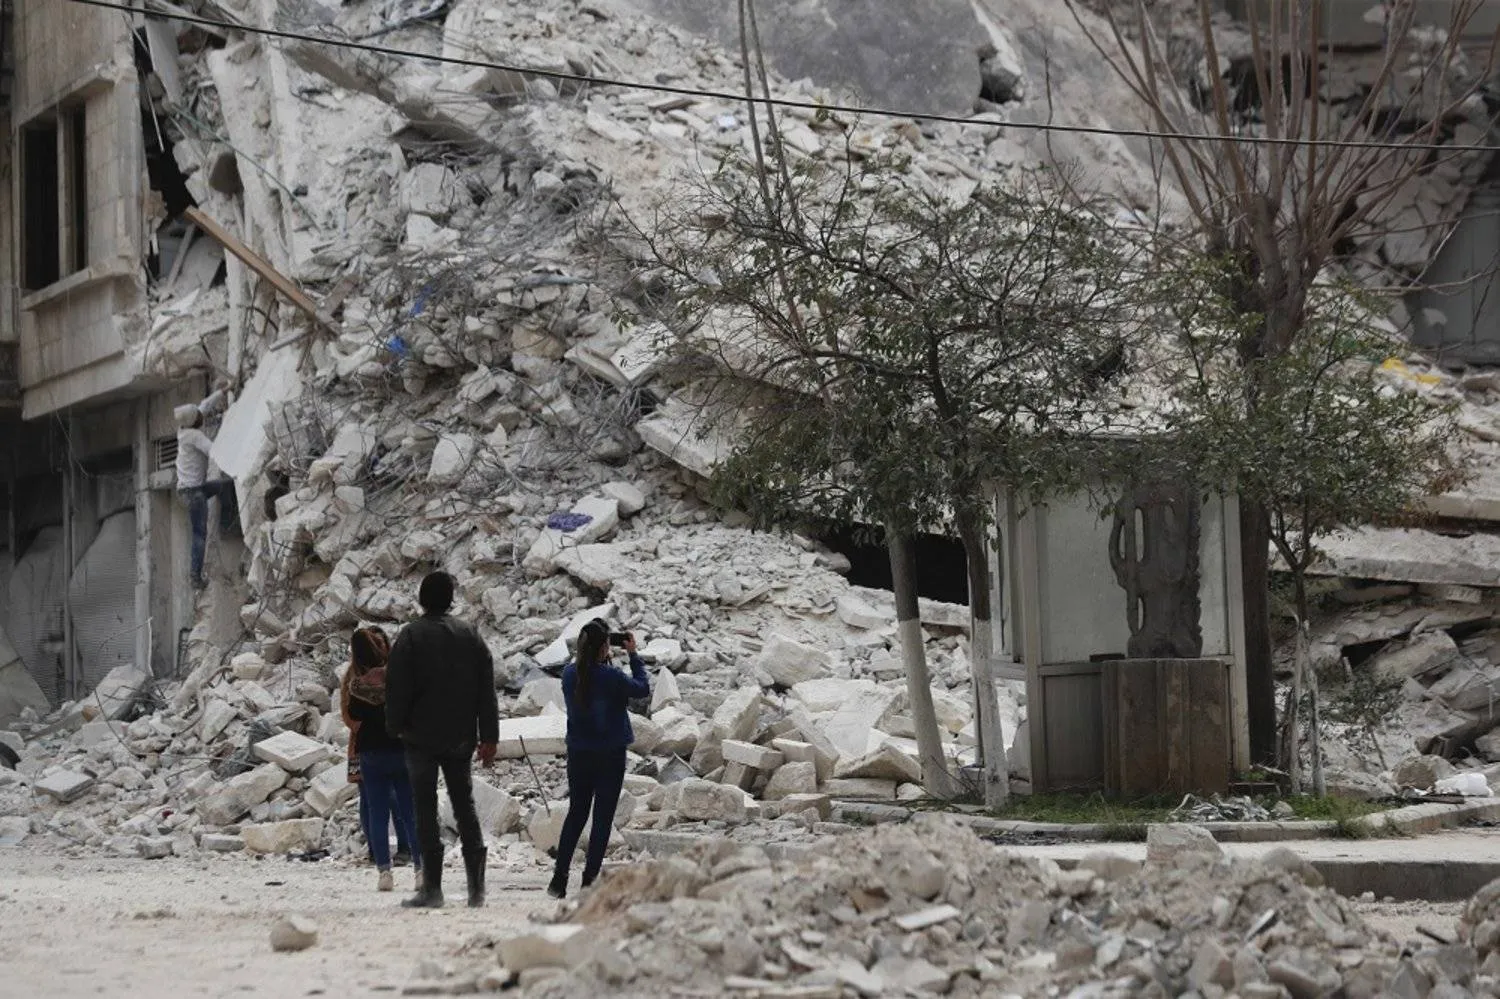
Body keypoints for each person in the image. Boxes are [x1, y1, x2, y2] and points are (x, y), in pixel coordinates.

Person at [385, 571, 499, 909]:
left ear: (422, 599)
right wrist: (489, 736)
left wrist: (394, 726)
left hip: (419, 737)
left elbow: (397, 687)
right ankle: (476, 889)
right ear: (451, 599)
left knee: (424, 807)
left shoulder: (411, 636)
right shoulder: (470, 634)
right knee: (464, 805)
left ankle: (432, 889)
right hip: (461, 736)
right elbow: (486, 689)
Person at [548, 619, 649, 900]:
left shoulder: (569, 674)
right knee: (602, 819)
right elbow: (642, 688)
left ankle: (559, 878)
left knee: (576, 813)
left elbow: (589, 676)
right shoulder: (612, 676)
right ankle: (589, 881)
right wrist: (633, 655)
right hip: (610, 754)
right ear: (604, 647)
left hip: (579, 753)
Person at [341, 626, 421, 893]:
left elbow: (352, 715)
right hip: (401, 749)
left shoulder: (356, 684)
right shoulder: (400, 677)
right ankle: (420, 870)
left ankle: (384, 871)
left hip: (371, 753)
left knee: (376, 812)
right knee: (411, 812)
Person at [174, 379, 238, 589]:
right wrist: (227, 429)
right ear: (194, 422)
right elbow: (213, 450)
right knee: (199, 533)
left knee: (224, 485)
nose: (203, 417)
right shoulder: (192, 436)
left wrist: (224, 391)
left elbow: (204, 406)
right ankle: (195, 577)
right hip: (192, 493)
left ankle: (227, 525)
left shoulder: (187, 425)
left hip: (192, 488)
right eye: (199, 418)